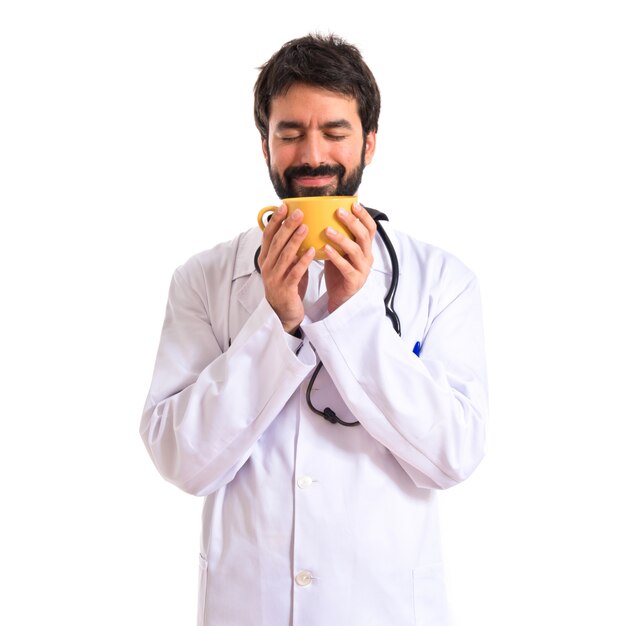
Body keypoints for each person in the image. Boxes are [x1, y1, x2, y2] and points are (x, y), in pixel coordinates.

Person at [140, 33, 488, 626]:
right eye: (290, 132)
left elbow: (452, 457)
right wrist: (274, 321)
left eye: (335, 131)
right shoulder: (202, 280)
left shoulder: (442, 280)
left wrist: (356, 320)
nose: (311, 155)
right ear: (265, 144)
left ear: (369, 142)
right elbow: (181, 460)